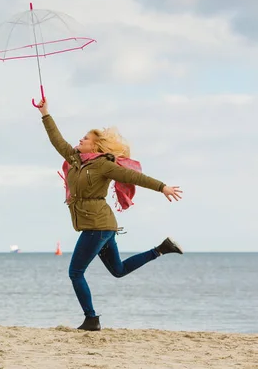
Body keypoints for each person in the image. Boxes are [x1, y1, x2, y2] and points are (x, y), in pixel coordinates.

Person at [36, 98, 184, 331]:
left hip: (98, 226)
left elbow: (134, 177)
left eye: (85, 138)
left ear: (95, 147)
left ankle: (91, 319)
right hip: (102, 226)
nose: (80, 140)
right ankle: (161, 249)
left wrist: (162, 187)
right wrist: (45, 113)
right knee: (118, 270)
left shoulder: (104, 165)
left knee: (75, 272)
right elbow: (57, 140)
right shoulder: (75, 160)